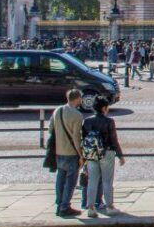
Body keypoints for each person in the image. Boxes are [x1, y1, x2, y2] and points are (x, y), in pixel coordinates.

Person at [81, 95, 125, 217]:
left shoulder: (87, 120)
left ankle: (91, 207)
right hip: (106, 152)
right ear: (104, 108)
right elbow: (114, 140)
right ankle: (109, 206)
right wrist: (120, 155)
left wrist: (83, 157)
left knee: (92, 181)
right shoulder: (109, 121)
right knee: (107, 181)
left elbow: (83, 139)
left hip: (91, 154)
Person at [51, 89, 84, 217]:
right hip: (71, 153)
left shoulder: (57, 110)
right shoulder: (77, 115)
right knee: (70, 182)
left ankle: (59, 204)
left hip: (59, 151)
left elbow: (50, 129)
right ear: (78, 99)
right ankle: (65, 206)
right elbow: (76, 137)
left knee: (60, 179)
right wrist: (81, 155)